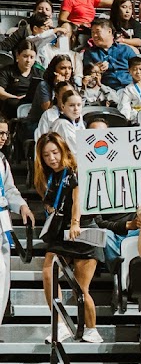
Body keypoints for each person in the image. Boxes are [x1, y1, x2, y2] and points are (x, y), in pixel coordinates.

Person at [34, 133, 105, 343]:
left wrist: (75, 222)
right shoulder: (47, 176)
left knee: (81, 289)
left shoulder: (75, 170)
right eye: (46, 155)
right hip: (60, 234)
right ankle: (60, 324)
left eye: (55, 152)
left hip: (84, 231)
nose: (52, 158)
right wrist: (50, 207)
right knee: (48, 272)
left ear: (63, 150)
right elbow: (49, 200)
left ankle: (92, 329)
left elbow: (77, 199)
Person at [0, 119, 33, 327]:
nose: (3, 137)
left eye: (5, 133)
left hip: (3, 221)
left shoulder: (2, 160)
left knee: (3, 277)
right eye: (0, 133)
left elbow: (9, 189)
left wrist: (22, 206)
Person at [82, 20, 133, 90]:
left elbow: (138, 68)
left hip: (130, 87)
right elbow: (88, 75)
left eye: (97, 32)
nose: (94, 35)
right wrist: (96, 69)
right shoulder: (90, 53)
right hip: (106, 89)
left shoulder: (126, 49)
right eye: (92, 32)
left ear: (109, 31)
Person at [0, 41, 40, 120]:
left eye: (31, 57)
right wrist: (16, 97)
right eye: (25, 56)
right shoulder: (7, 71)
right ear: (17, 55)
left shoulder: (39, 73)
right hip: (11, 107)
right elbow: (1, 92)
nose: (28, 60)